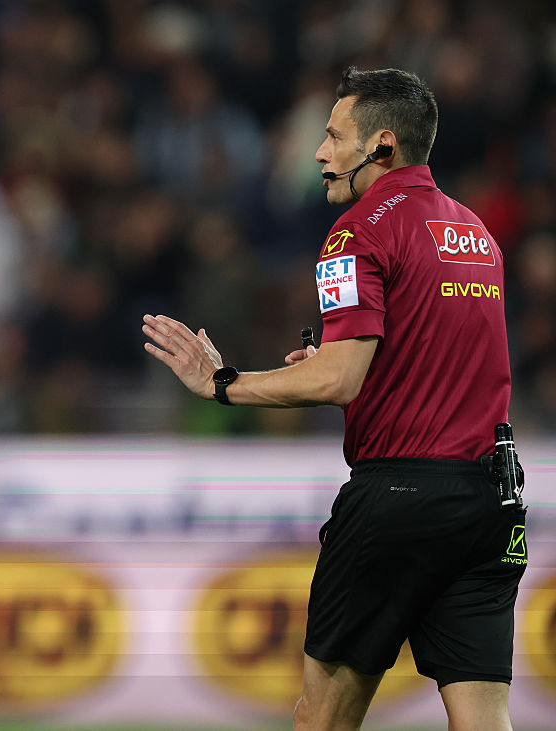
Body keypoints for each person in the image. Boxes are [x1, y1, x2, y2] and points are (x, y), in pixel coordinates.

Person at [142, 66, 525, 730]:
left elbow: (338, 380)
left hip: (397, 501)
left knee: (321, 720)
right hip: (492, 502)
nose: (318, 152)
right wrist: (339, 363)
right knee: (485, 720)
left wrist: (224, 382)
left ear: (380, 145)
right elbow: (430, 360)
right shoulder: (474, 234)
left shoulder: (358, 231)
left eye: (331, 135)